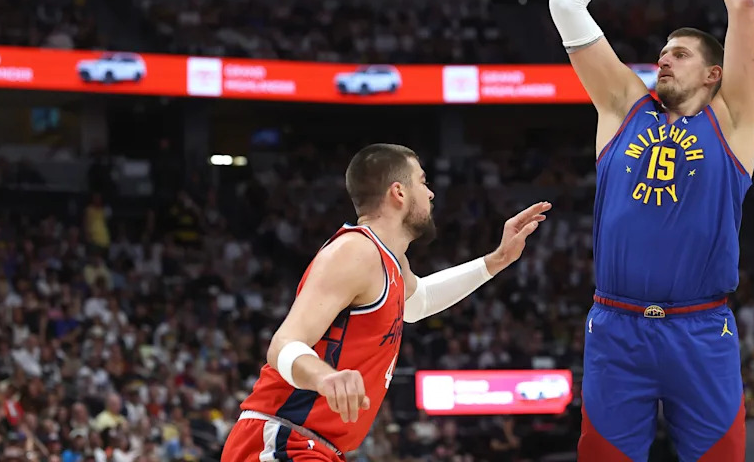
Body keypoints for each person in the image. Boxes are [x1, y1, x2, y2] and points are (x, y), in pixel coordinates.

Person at [548, 0, 754, 461]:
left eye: (680, 53)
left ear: (714, 74)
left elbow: (742, 4)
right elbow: (565, 3)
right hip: (616, 329)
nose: (663, 59)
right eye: (662, 51)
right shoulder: (623, 105)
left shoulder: (733, 120)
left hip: (700, 329)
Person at [221, 143, 551, 461]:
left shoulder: (391, 261)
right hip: (282, 437)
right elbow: (282, 345)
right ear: (399, 192)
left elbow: (419, 301)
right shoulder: (354, 252)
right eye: (423, 181)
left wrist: (495, 261)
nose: (431, 192)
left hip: (313, 445)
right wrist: (324, 377)